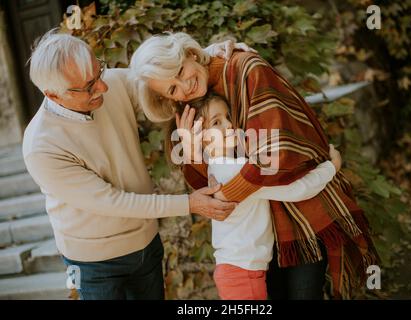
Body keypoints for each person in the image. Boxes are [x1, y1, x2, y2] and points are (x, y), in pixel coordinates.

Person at [129, 32, 379, 299]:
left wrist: (228, 193)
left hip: (299, 215)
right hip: (257, 234)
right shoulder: (191, 108)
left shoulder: (247, 69)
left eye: (180, 71)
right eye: (172, 89)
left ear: (190, 54)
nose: (184, 86)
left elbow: (273, 157)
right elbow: (207, 184)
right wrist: (192, 154)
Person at [22, 30, 253, 300]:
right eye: (89, 86)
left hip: (146, 246)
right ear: (53, 94)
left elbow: (162, 75)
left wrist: (212, 53)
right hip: (90, 263)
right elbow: (114, 202)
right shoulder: (41, 147)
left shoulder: (108, 85)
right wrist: (190, 203)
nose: (104, 87)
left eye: (100, 72)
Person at [166, 93, 342, 300]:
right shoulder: (238, 171)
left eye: (228, 116)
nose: (230, 125)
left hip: (236, 271)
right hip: (243, 275)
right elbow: (297, 189)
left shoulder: (216, 168)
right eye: (217, 122)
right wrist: (332, 167)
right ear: (199, 138)